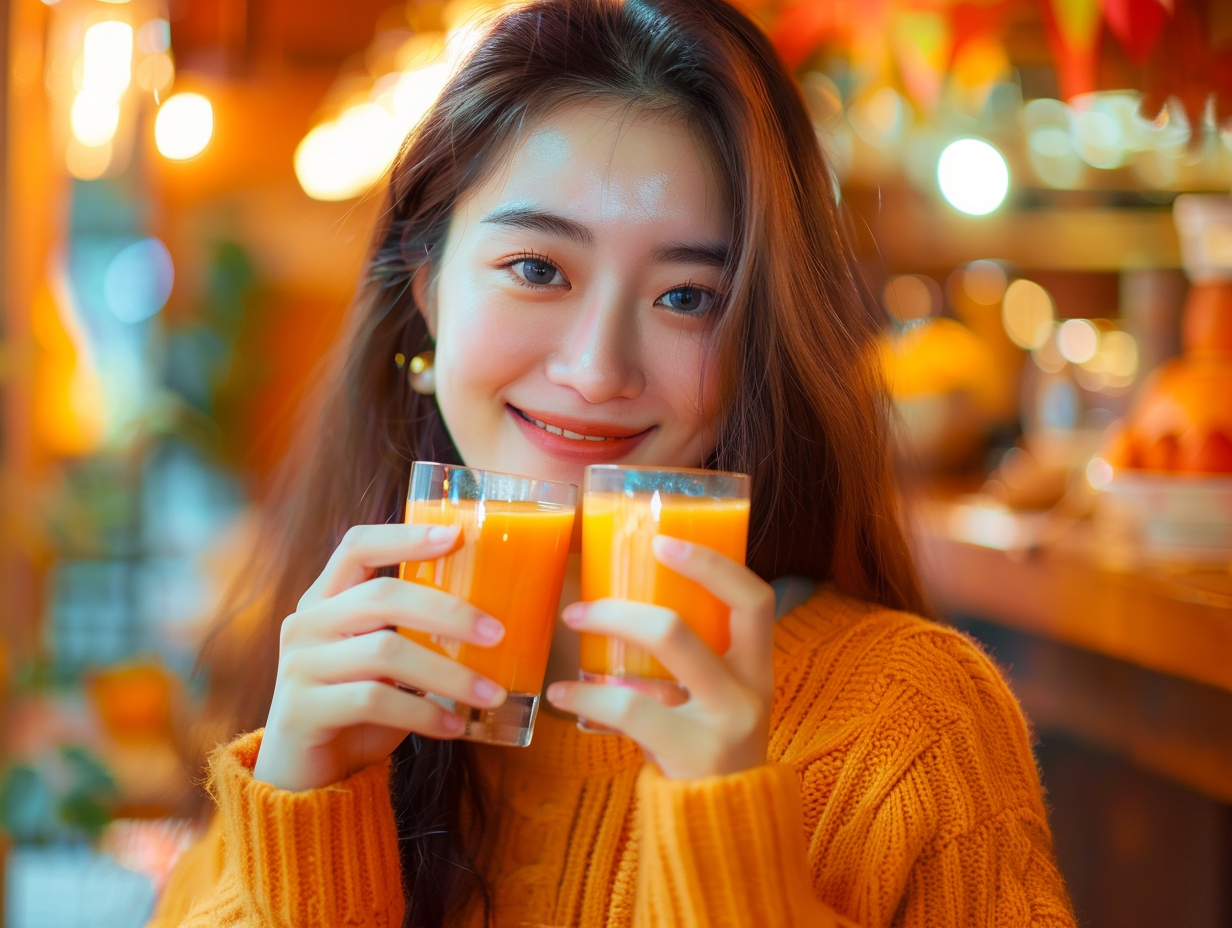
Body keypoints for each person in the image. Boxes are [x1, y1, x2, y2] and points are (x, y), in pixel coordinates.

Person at [149, 0, 1077, 924]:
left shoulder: (909, 727)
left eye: (686, 295)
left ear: (758, 345)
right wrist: (307, 828)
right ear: (428, 289)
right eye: (538, 268)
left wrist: (733, 870)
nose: (595, 372)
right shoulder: (330, 702)